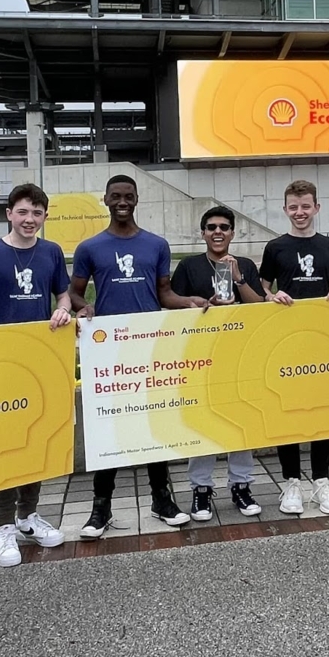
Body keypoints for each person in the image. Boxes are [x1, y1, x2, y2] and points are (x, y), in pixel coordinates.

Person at [69, 175, 204, 538]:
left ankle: (162, 500)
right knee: (109, 429)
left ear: (137, 199)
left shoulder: (156, 245)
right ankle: (101, 509)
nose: (122, 201)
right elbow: (75, 293)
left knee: (152, 425)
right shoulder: (90, 247)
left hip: (150, 344)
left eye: (128, 196)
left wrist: (188, 302)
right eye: (116, 196)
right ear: (106, 199)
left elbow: (164, 294)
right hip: (109, 348)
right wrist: (85, 308)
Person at [0, 183, 73, 566]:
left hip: (38, 360)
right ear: (9, 213)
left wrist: (62, 310)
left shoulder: (51, 252)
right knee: (3, 443)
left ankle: (29, 515)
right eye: (23, 212)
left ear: (45, 217)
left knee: (35, 439)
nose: (30, 220)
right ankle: (4, 525)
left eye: (37, 213)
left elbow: (62, 294)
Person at [259, 180, 329, 515]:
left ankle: (322, 482)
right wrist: (272, 297)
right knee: (288, 410)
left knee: (322, 409)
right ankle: (291, 482)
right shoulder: (275, 247)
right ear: (285, 210)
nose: (300, 212)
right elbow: (263, 288)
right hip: (287, 341)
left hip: (321, 340)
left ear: (317, 208)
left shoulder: (328, 246)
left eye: (306, 206)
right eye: (294, 207)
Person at [170, 206, 265, 519]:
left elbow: (261, 306)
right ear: (203, 233)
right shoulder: (188, 266)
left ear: (233, 232)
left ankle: (241, 485)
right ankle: (201, 489)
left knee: (240, 420)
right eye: (211, 227)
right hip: (201, 354)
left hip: (239, 353)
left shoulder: (246, 265)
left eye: (224, 227)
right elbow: (173, 306)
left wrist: (238, 280)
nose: (218, 232)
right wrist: (198, 305)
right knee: (203, 421)